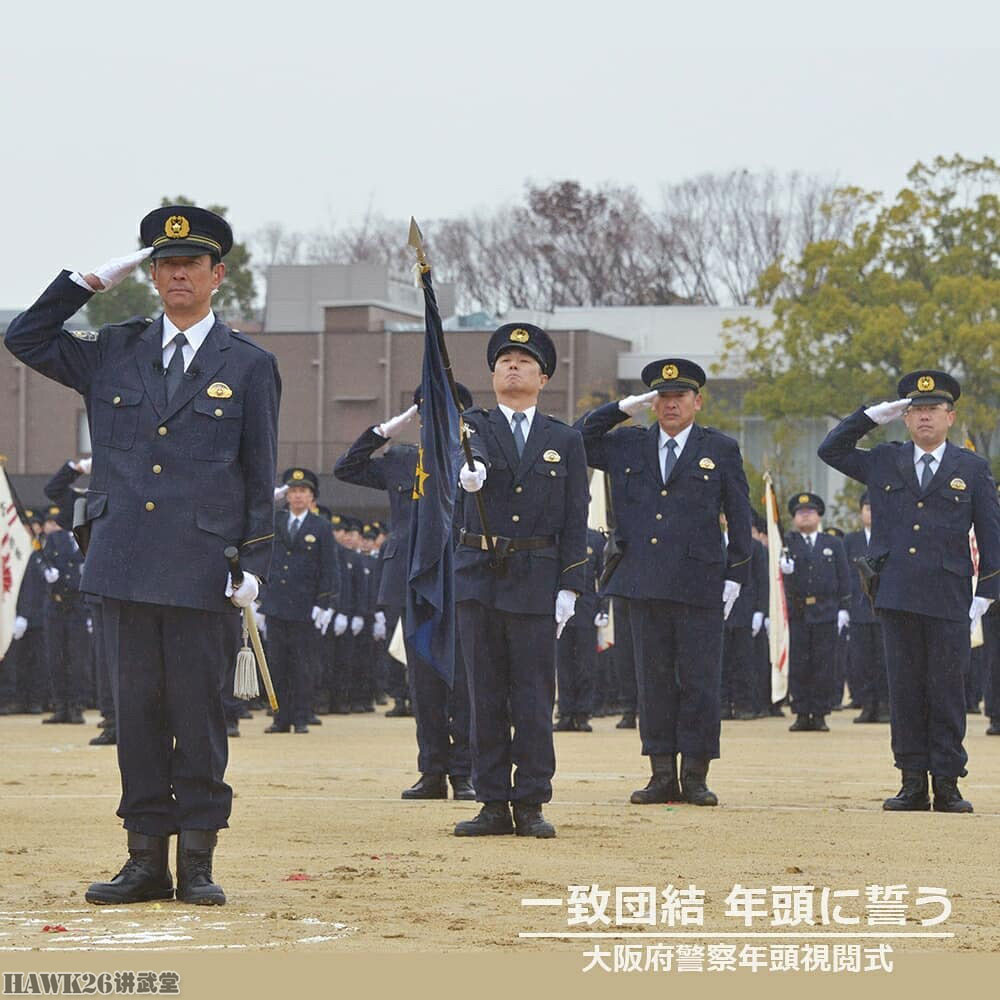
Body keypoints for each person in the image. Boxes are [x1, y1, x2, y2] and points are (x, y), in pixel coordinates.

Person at [5, 204, 281, 901]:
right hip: (125, 562)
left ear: (217, 275)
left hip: (200, 569)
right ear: (151, 274)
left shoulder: (248, 366)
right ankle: (143, 858)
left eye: (190, 265)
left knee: (198, 716)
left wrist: (253, 565)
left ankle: (196, 861)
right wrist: (87, 281)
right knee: (135, 720)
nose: (177, 274)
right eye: (164, 264)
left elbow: (258, 472)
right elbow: (25, 337)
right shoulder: (112, 348)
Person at [818, 370, 1000, 812]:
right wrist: (869, 416)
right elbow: (832, 450)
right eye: (915, 410)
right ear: (904, 417)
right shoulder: (884, 459)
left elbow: (991, 534)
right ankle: (912, 780)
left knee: (947, 690)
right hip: (896, 592)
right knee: (905, 690)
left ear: (950, 417)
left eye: (932, 410)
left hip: (949, 595)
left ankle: (948, 781)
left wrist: (987, 590)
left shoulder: (971, 468)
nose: (924, 418)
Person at [576, 358, 751, 806]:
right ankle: (659, 773)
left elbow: (740, 516)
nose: (671, 404)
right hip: (643, 580)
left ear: (697, 401)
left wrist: (735, 574)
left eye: (679, 397)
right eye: (662, 397)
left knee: (699, 680)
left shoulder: (721, 448)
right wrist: (619, 408)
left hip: (699, 581)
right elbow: (577, 439)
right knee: (651, 681)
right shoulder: (627, 444)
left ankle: (695, 773)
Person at [453, 323, 589, 838]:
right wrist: (466, 475)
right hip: (480, 576)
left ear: (543, 376)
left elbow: (577, 515)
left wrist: (571, 585)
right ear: (492, 375)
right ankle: (491, 800)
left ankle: (530, 799)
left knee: (533, 696)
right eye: (504, 360)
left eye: (524, 361)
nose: (513, 367)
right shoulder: (472, 425)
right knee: (484, 694)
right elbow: (460, 462)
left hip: (536, 578)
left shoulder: (564, 439)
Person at [334, 385, 476, 800]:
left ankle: (464, 771)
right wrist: (386, 430)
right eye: (429, 413)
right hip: (410, 579)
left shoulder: (470, 461)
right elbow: (347, 468)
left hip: (459, 576)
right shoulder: (399, 460)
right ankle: (431, 770)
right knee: (424, 680)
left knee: (463, 679)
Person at [259, 468, 337, 734]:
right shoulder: (275, 521)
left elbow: (329, 567)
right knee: (278, 663)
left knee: (303, 665)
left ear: (311, 497)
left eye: (303, 491)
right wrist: (261, 600)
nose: (297, 496)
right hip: (277, 603)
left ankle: (303, 715)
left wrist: (324, 604)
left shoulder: (321, 526)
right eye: (292, 491)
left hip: (305, 606)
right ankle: (280, 717)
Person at [779, 493, 851, 732]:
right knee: (800, 664)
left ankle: (820, 713)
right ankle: (801, 712)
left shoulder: (833, 544)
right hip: (797, 612)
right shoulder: (786, 542)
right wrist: (785, 572)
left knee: (823, 665)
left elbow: (844, 578)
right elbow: (778, 582)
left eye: (810, 511)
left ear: (819, 515)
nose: (805, 515)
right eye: (800, 512)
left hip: (826, 611)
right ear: (794, 518)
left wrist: (844, 608)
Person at [844, 493, 890, 723]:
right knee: (863, 662)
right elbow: (845, 576)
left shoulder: (890, 536)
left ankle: (885, 706)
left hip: (885, 609)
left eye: (874, 508)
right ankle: (867, 705)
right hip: (859, 610)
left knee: (885, 661)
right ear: (861, 512)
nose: (870, 513)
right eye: (866, 508)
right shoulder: (851, 541)